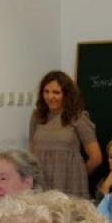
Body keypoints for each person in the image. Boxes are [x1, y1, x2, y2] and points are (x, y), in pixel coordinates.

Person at [28, 70, 101, 198]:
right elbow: (31, 152)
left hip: (70, 184)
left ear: (66, 94)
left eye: (56, 92)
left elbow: (96, 157)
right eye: (46, 92)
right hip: (41, 181)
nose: (50, 97)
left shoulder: (78, 117)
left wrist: (78, 175)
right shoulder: (37, 116)